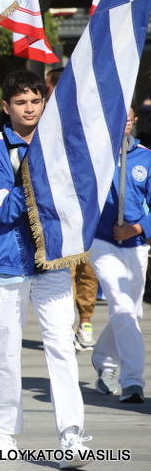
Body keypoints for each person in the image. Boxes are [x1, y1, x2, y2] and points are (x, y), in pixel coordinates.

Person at [0, 70, 91, 468]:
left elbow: (77, 195)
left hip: (53, 260)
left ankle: (72, 434)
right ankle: (1, 432)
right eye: (20, 102)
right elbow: (3, 207)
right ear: (5, 107)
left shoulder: (62, 142)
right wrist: (40, 173)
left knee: (61, 346)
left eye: (36, 101)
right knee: (4, 348)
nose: (29, 108)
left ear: (45, 103)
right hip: (7, 261)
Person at [90, 102, 147, 404]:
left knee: (130, 312)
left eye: (128, 118)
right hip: (102, 242)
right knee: (123, 307)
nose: (123, 122)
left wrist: (136, 230)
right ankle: (133, 381)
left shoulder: (146, 158)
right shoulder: (94, 154)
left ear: (134, 121)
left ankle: (104, 360)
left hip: (136, 245)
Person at [46, 68, 99, 351]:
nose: (45, 94)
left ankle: (85, 322)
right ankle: (64, 328)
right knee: (64, 269)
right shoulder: (43, 120)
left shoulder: (87, 116)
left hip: (87, 205)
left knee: (86, 268)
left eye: (48, 87)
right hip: (57, 207)